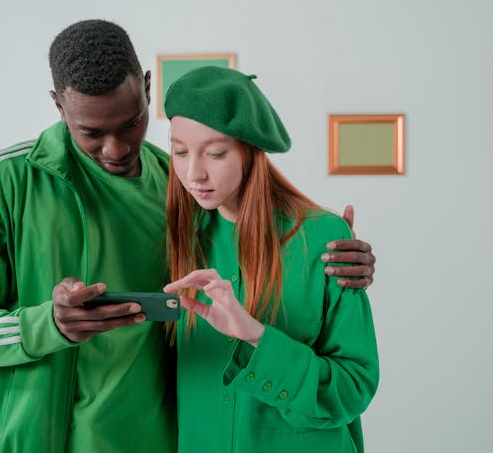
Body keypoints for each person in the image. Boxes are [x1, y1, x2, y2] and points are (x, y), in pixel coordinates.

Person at [0, 20, 377, 452]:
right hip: (42, 439)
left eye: (131, 123)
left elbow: (259, 237)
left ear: (147, 87)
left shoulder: (179, 191)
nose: (115, 148)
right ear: (58, 106)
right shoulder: (3, 183)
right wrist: (48, 324)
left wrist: (329, 248)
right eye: (91, 133)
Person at [162, 66, 379, 452]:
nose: (193, 173)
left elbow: (354, 385)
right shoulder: (180, 237)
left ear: (250, 149)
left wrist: (255, 335)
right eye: (179, 152)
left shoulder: (324, 238)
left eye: (214, 153)